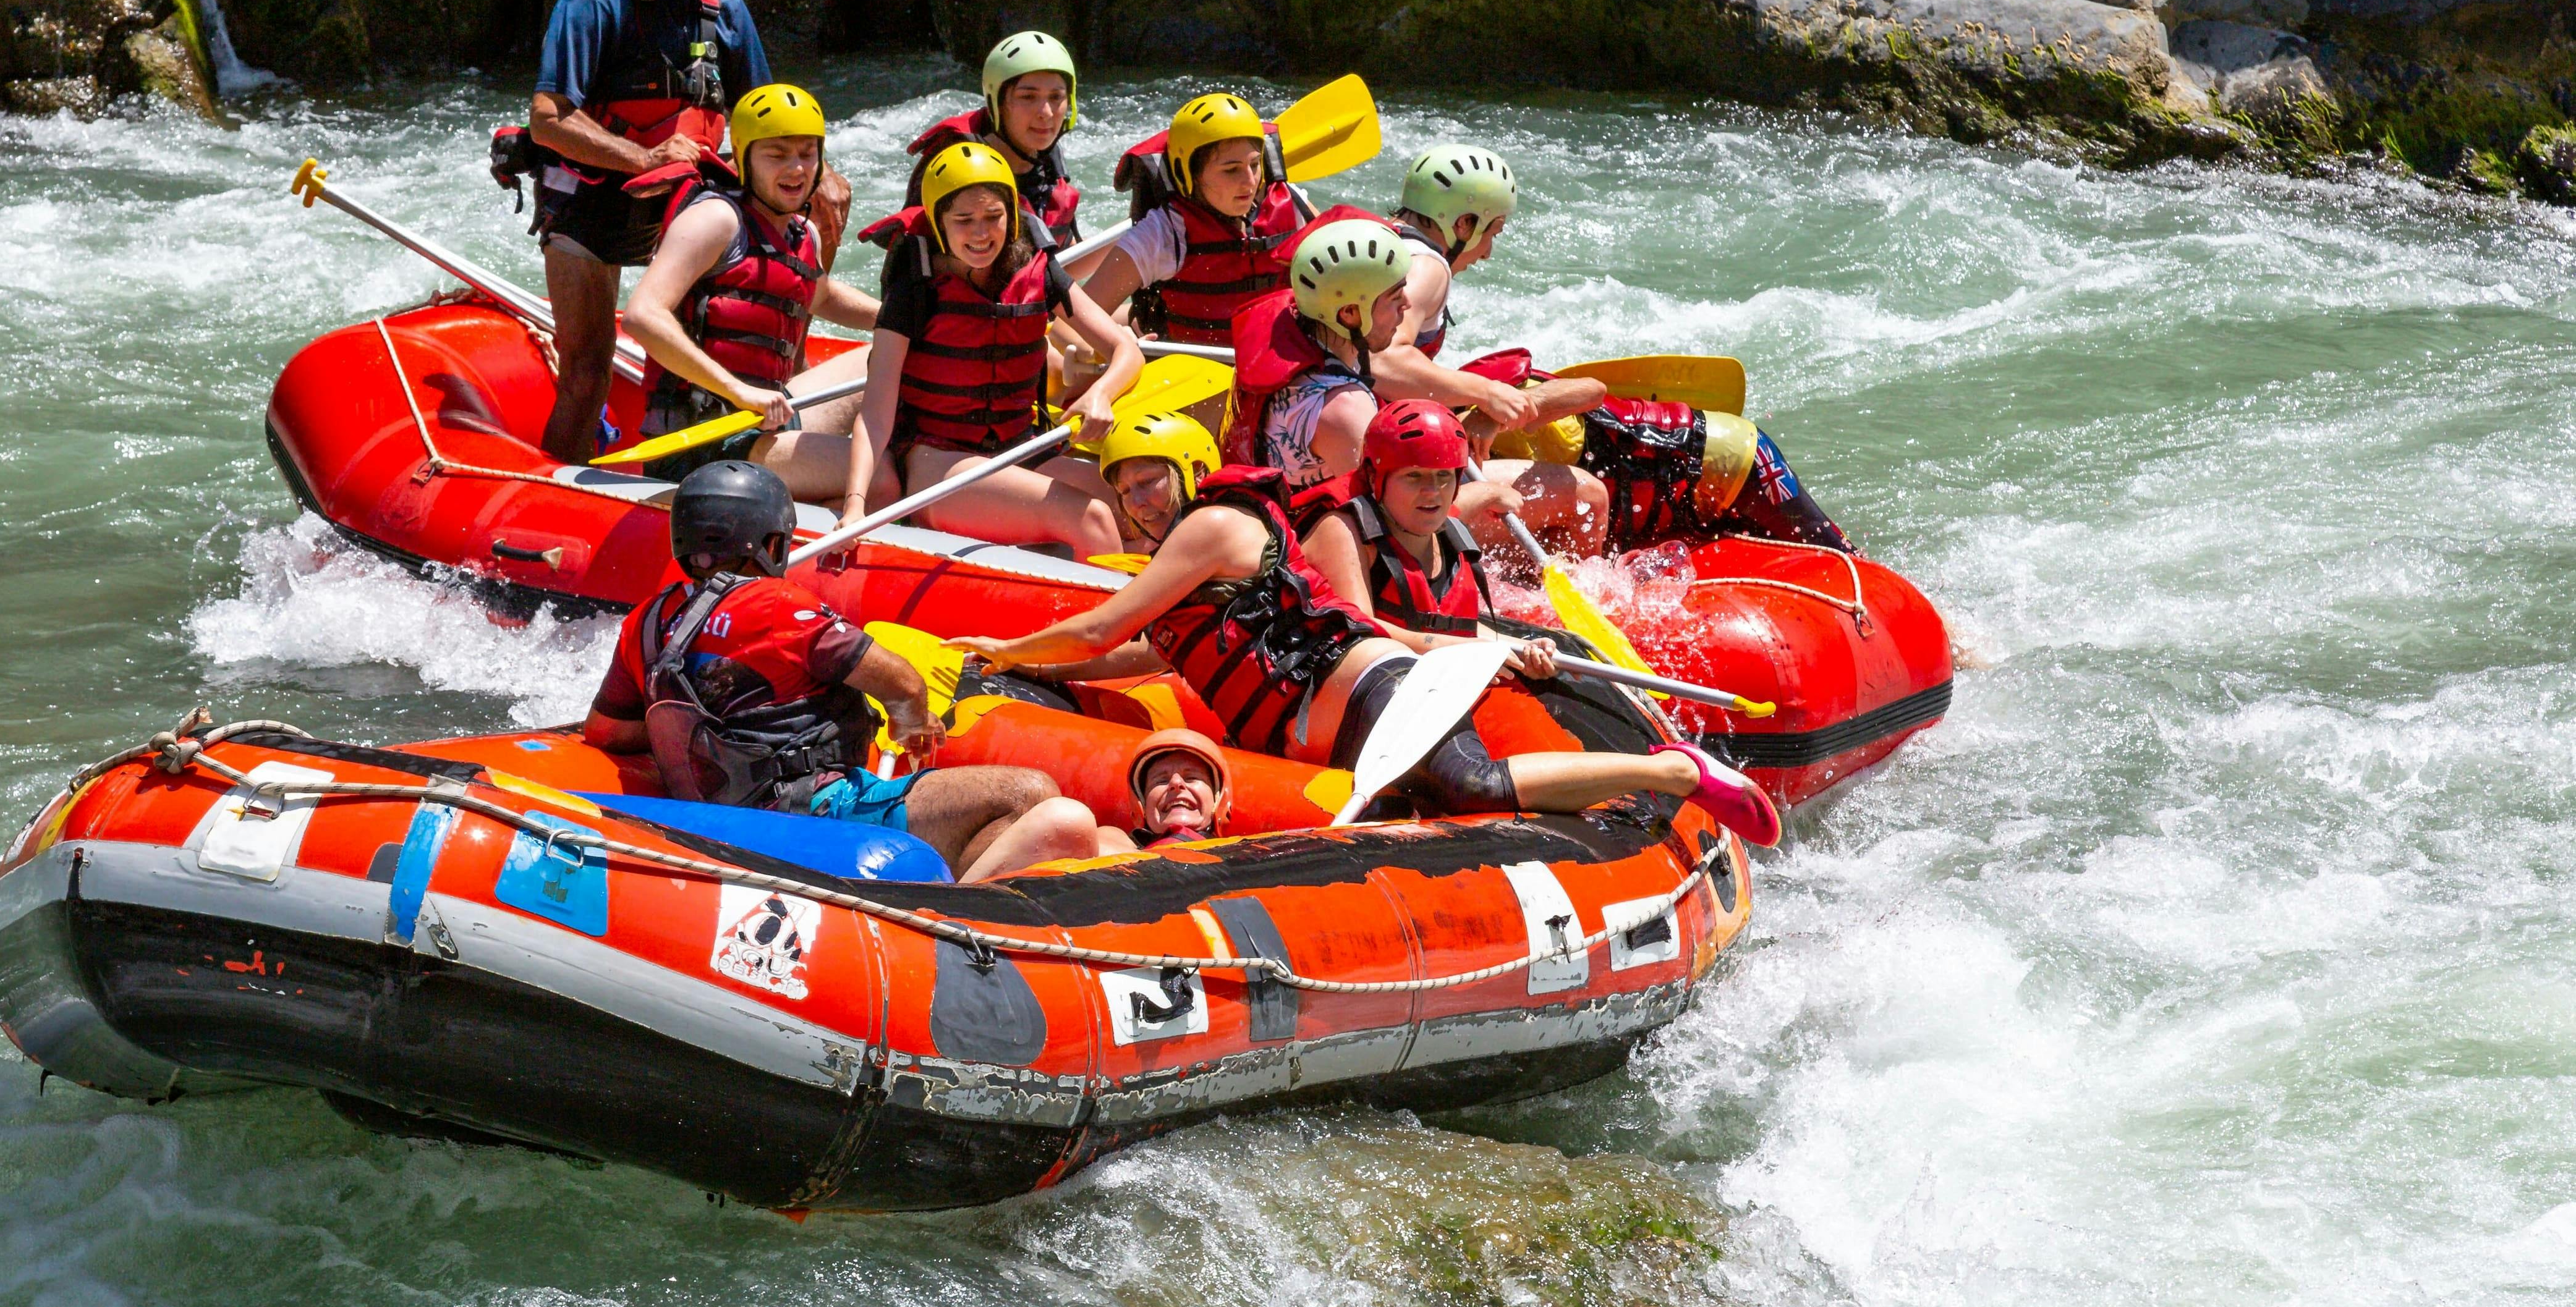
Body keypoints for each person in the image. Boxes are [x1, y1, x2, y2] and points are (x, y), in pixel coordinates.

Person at [945, 455, 1781, 843]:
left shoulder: (1213, 526)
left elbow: (1097, 629)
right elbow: (1140, 656)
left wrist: (1004, 646)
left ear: (1190, 470)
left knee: (1473, 786)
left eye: (1151, 476)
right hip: (1334, 724)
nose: (1138, 496)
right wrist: (1028, 667)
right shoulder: (1183, 572)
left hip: (1369, 685)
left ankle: (1677, 771)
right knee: (1434, 807)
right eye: (1124, 483)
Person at [497, 0, 851, 465]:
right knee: (588, 368)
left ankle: (778, 431)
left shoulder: (727, 7)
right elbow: (548, 120)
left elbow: (764, 123)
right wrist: (640, 158)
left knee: (804, 224)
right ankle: (561, 490)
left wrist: (816, 176)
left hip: (687, 205)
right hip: (594, 201)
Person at [581, 461, 1102, 882]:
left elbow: (608, 731)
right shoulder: (776, 604)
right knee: (1027, 793)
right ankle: (954, 918)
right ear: (770, 545)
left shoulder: (645, 621)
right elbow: (901, 681)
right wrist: (911, 723)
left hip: (718, 811)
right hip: (814, 809)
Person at [842, 142, 1145, 554]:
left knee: (1135, 510)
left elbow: (1127, 352)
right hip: (939, 466)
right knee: (1090, 517)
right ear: (939, 221)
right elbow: (875, 414)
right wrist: (855, 506)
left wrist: (1101, 395)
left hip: (1021, 448)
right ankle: (1113, 619)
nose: (982, 233)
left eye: (994, 217)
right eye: (964, 220)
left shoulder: (1037, 270)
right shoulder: (914, 287)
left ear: (1012, 218)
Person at [618, 83, 880, 489]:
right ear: (743, 159)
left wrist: (905, 321)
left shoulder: (803, 232)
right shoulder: (716, 220)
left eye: (807, 154)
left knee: (883, 354)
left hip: (765, 419)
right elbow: (642, 316)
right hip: (702, 444)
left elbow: (822, 296)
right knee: (878, 472)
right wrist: (738, 391)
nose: (796, 168)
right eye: (776, 155)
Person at [1369, 145, 1607, 551]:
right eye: (1491, 233)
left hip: (1374, 463)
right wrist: (1487, 393)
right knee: (1589, 497)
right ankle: (1537, 612)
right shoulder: (1428, 267)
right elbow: (1383, 361)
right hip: (1385, 490)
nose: (1488, 253)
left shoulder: (1380, 239)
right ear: (1464, 224)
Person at [1081, 92, 1308, 351]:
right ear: (1190, 174)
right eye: (1231, 169)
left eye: (1255, 164)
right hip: (1198, 371)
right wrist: (1118, 344)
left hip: (1279, 363)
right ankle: (1129, 322)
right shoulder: (1164, 234)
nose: (1249, 181)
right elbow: (1069, 326)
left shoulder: (1290, 203)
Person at [1224, 218, 1408, 494]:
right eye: (1395, 297)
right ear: (1349, 314)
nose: (1408, 303)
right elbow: (1392, 521)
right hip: (1311, 531)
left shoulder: (1296, 336)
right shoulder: (1345, 411)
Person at [1298, 400, 1500, 639]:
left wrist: (1522, 650)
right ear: (1374, 477)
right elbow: (1358, 633)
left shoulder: (1452, 536)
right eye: (1414, 475)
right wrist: (1465, 650)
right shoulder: (1342, 531)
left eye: (1444, 475)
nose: (1432, 491)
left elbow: (1453, 628)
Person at [896, 32, 1084, 251]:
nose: (1046, 113)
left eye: (1056, 97)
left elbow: (1066, 250)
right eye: (1028, 97)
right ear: (998, 103)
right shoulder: (957, 164)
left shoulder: (1047, 160)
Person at [1092, 403, 1222, 559]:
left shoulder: (1218, 532)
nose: (1136, 502)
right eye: (1125, 491)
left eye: (1146, 482)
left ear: (1197, 471)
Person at [1089, 729, 1233, 854]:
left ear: (1218, 800)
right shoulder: (1118, 841)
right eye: (1161, 781)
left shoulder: (1237, 853)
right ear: (1142, 806)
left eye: (1191, 778)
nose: (1176, 784)